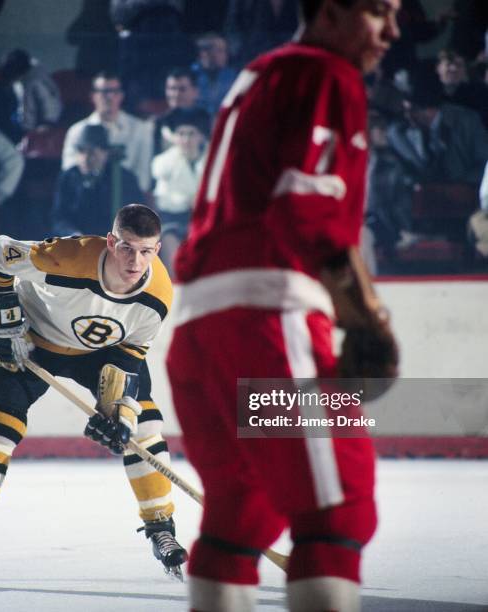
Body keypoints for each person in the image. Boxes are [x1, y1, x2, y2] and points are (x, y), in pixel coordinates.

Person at [166, 1, 400, 611]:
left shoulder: (258, 74)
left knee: (242, 513)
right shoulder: (326, 72)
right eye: (380, 11)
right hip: (267, 318)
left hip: (200, 327)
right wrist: (365, 317)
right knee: (338, 507)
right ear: (329, 11)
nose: (394, 32)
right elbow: (308, 210)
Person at [0, 204, 187, 585]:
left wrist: (119, 418)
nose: (134, 260)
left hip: (104, 356)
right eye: (126, 247)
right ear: (111, 242)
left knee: (141, 428)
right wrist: (5, 325)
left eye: (146, 251)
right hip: (31, 343)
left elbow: (128, 362)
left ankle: (161, 527)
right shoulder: (66, 257)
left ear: (157, 250)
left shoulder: (158, 297)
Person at [62, 72, 154, 191]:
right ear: (93, 96)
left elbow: (143, 177)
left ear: (121, 95)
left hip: (127, 196)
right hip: (88, 197)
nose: (110, 97)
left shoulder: (140, 129)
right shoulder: (77, 131)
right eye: (104, 92)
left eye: (114, 91)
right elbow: (69, 173)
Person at [52, 124, 143, 237]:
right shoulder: (67, 178)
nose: (85, 158)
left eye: (91, 152)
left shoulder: (124, 179)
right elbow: (59, 218)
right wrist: (73, 234)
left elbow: (136, 217)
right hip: (76, 245)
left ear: (105, 153)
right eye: (81, 151)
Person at [151, 107, 209, 277]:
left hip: (204, 220)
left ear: (201, 136)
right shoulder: (164, 165)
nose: (186, 139)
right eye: (181, 134)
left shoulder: (212, 160)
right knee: (169, 238)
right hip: (175, 219)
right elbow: (164, 200)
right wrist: (188, 200)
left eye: (191, 134)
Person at [0, 48, 63, 133]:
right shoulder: (22, 79)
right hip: (29, 124)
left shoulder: (36, 81)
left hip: (42, 126)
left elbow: (49, 105)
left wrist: (47, 124)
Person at [191, 32, 238, 117]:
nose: (225, 55)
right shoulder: (189, 76)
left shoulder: (233, 75)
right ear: (204, 53)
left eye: (225, 51)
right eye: (220, 51)